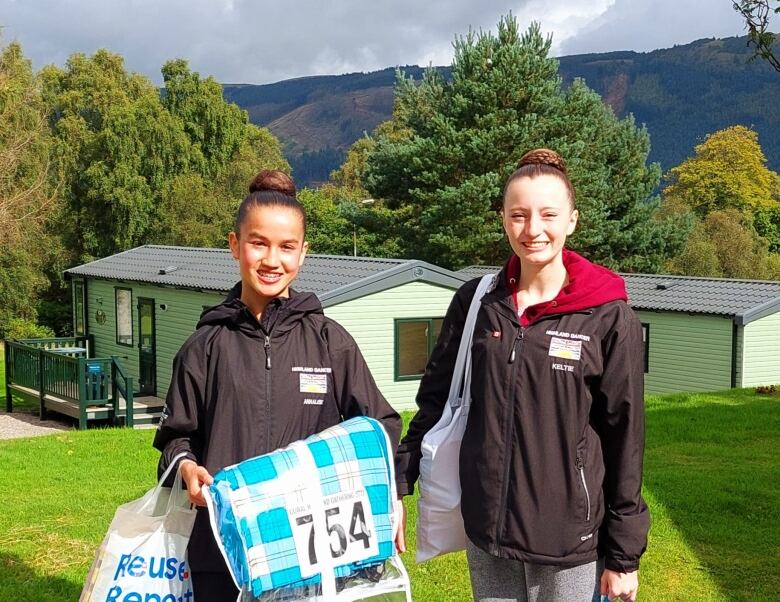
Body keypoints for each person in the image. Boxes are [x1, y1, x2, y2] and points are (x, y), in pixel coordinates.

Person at [395, 149, 650, 602]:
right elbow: (436, 401)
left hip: (568, 540)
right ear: (504, 220)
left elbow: (625, 436)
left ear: (572, 219)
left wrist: (624, 554)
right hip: (488, 529)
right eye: (519, 215)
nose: (533, 230)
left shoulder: (609, 317)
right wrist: (399, 483)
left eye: (548, 214)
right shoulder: (477, 302)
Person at [153, 170, 402, 601]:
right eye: (258, 243)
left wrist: (391, 496)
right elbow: (176, 437)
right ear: (234, 245)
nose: (272, 260)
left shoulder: (330, 341)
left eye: (287, 247)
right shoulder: (205, 345)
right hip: (223, 552)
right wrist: (187, 468)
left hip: (309, 552)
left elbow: (380, 427)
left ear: (303, 254)